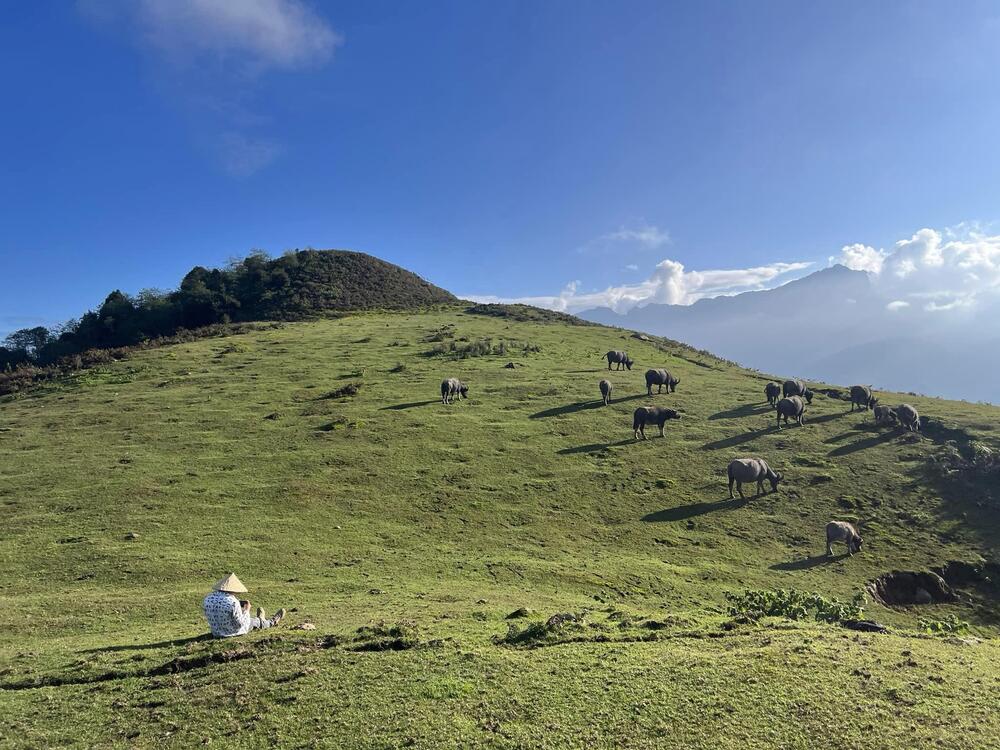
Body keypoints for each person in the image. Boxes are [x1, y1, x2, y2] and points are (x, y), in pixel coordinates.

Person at [203, 573, 287, 638]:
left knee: (253, 620)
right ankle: (272, 621)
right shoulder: (233, 602)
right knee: (253, 622)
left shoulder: (208, 599)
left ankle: (261, 619)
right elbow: (240, 624)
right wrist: (247, 610)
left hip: (217, 632)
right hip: (233, 632)